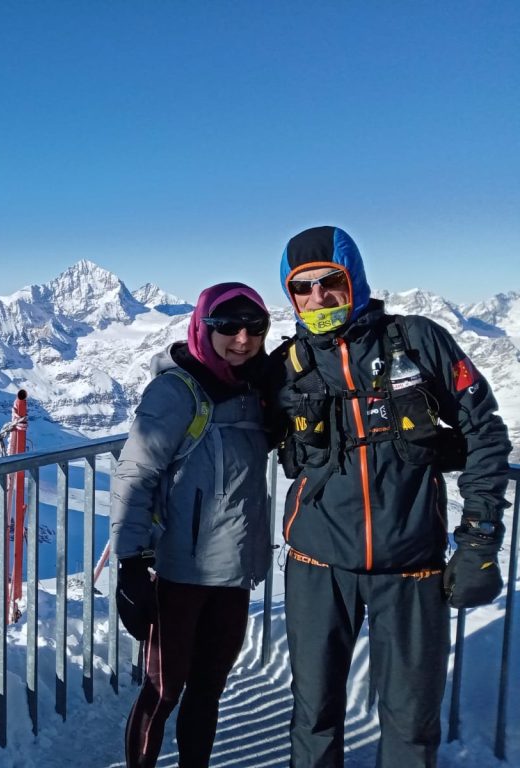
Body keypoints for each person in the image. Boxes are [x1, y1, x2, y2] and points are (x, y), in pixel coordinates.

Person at [269, 225, 511, 767]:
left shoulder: (417, 340)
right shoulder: (285, 366)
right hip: (317, 564)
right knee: (312, 715)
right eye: (301, 288)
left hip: (411, 565)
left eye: (329, 281)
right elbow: (229, 420)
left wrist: (478, 538)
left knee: (410, 723)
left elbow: (485, 433)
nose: (317, 297)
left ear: (353, 277)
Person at [111, 282, 274, 768]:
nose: (242, 339)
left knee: (208, 689)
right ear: (203, 327)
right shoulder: (176, 391)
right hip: (179, 574)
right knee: (163, 690)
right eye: (227, 326)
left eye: (254, 327)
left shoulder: (256, 389)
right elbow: (135, 474)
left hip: (234, 573)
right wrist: (131, 563)